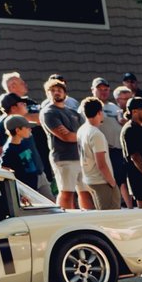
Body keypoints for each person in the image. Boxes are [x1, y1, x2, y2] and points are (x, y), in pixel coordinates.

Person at [38, 76, 84, 209]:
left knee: (85, 192)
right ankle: (64, 220)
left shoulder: (73, 112)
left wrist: (76, 134)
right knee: (67, 192)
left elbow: (83, 133)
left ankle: (86, 219)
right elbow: (67, 137)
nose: (56, 92)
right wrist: (77, 134)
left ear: (65, 93)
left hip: (80, 158)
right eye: (52, 90)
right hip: (64, 158)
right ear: (47, 94)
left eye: (59, 90)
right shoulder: (49, 112)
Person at [77, 98, 120, 210]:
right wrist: (112, 183)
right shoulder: (96, 134)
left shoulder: (82, 130)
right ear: (99, 112)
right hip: (101, 181)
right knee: (111, 218)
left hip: (89, 179)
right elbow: (101, 163)